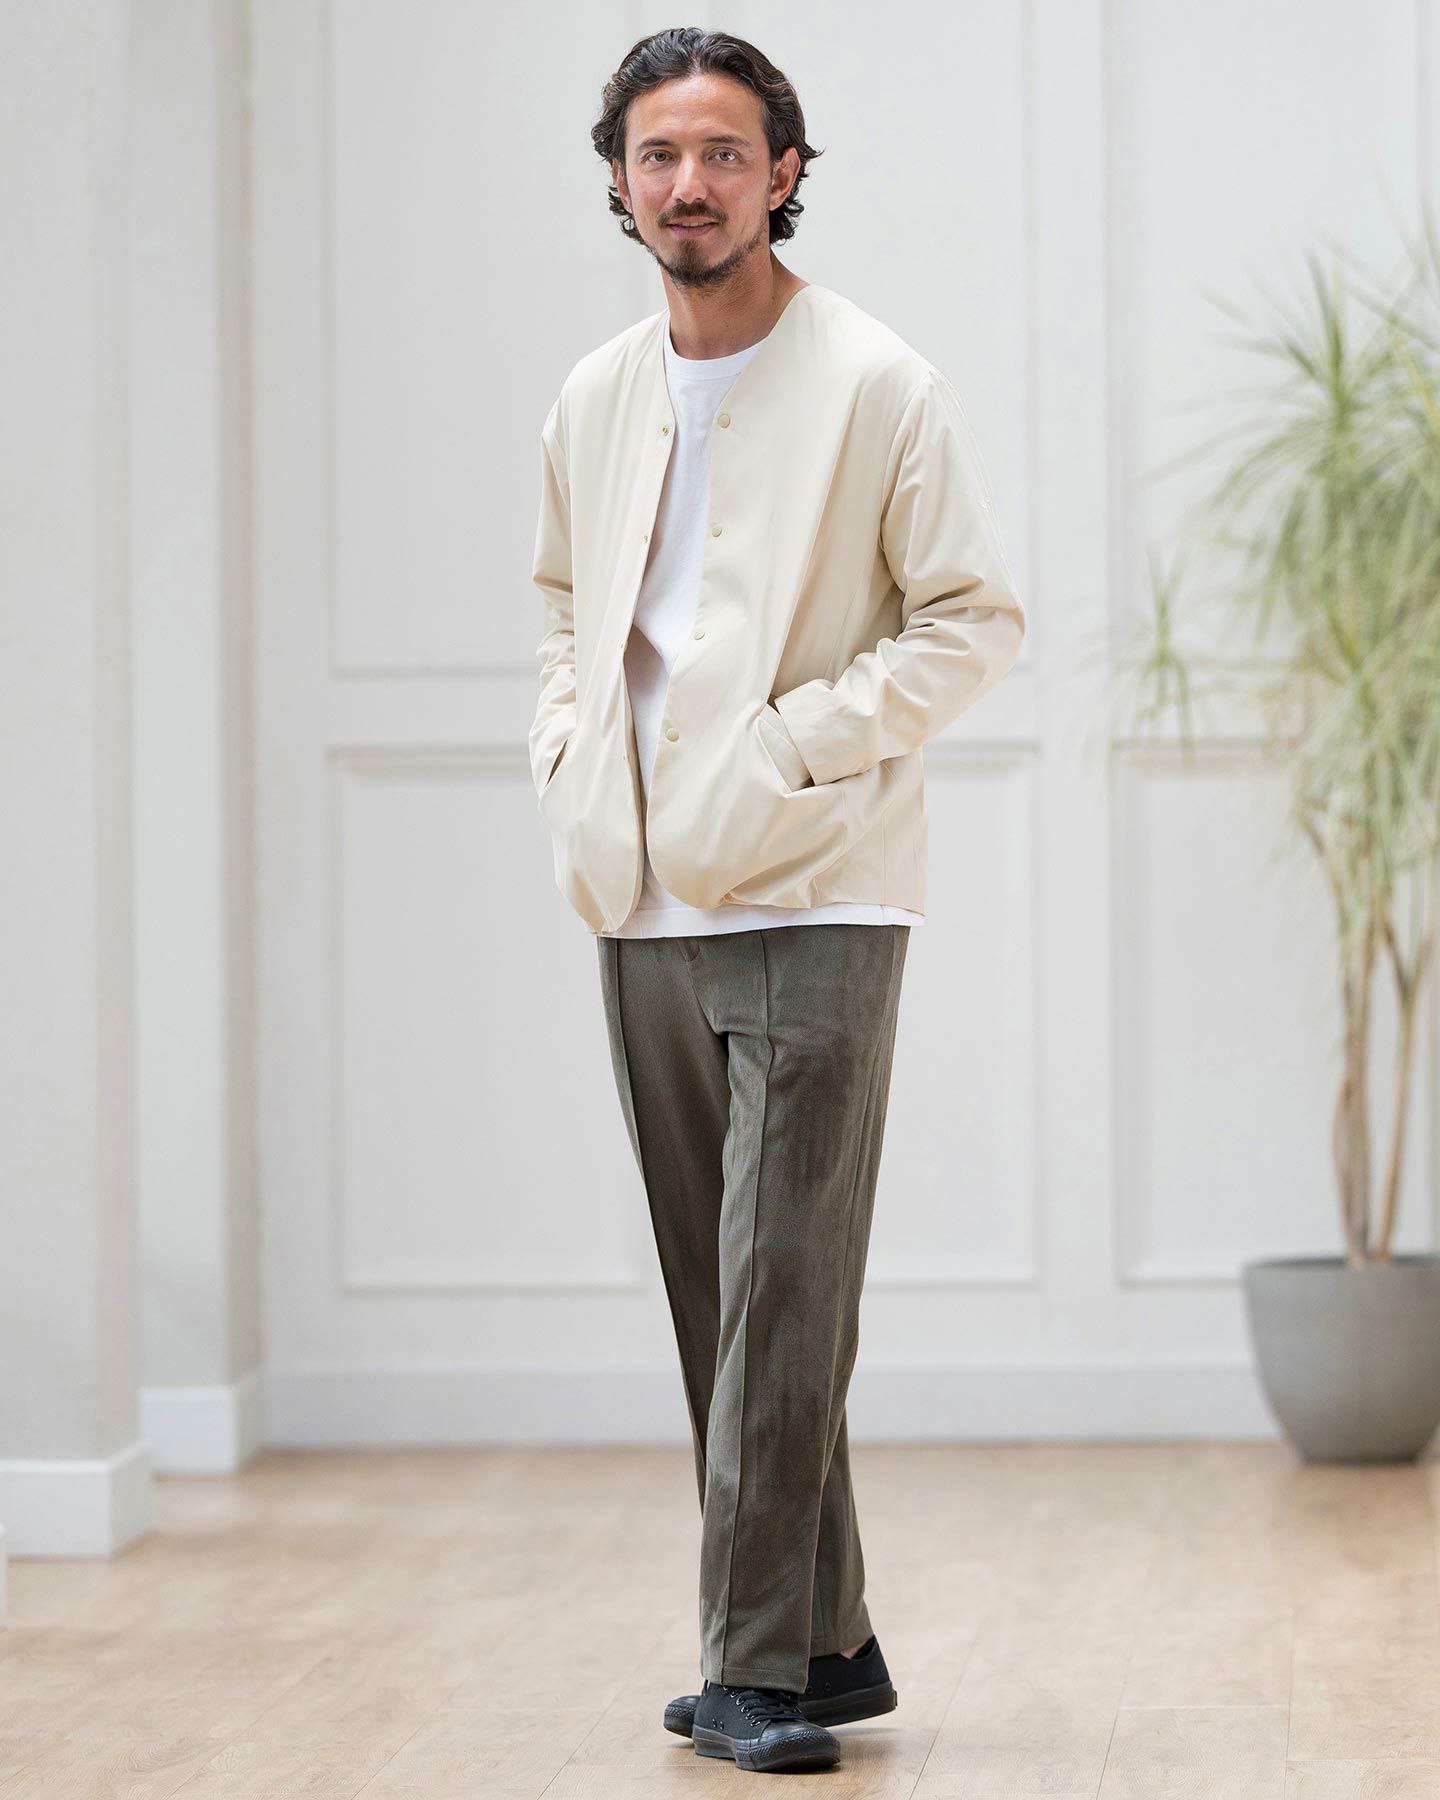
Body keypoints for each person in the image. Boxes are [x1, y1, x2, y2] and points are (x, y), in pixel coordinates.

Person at [528, 25, 1025, 1777]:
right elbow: (564, 606)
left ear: (784, 173)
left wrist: (798, 746)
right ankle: (829, 1640)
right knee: (719, 1292)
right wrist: (573, 751)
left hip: (816, 890)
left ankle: (746, 1667)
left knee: (785, 1282)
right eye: (661, 154)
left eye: (725, 153)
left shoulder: (881, 382)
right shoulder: (594, 396)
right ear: (620, 179)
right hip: (638, 892)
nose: (692, 184)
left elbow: (973, 619)